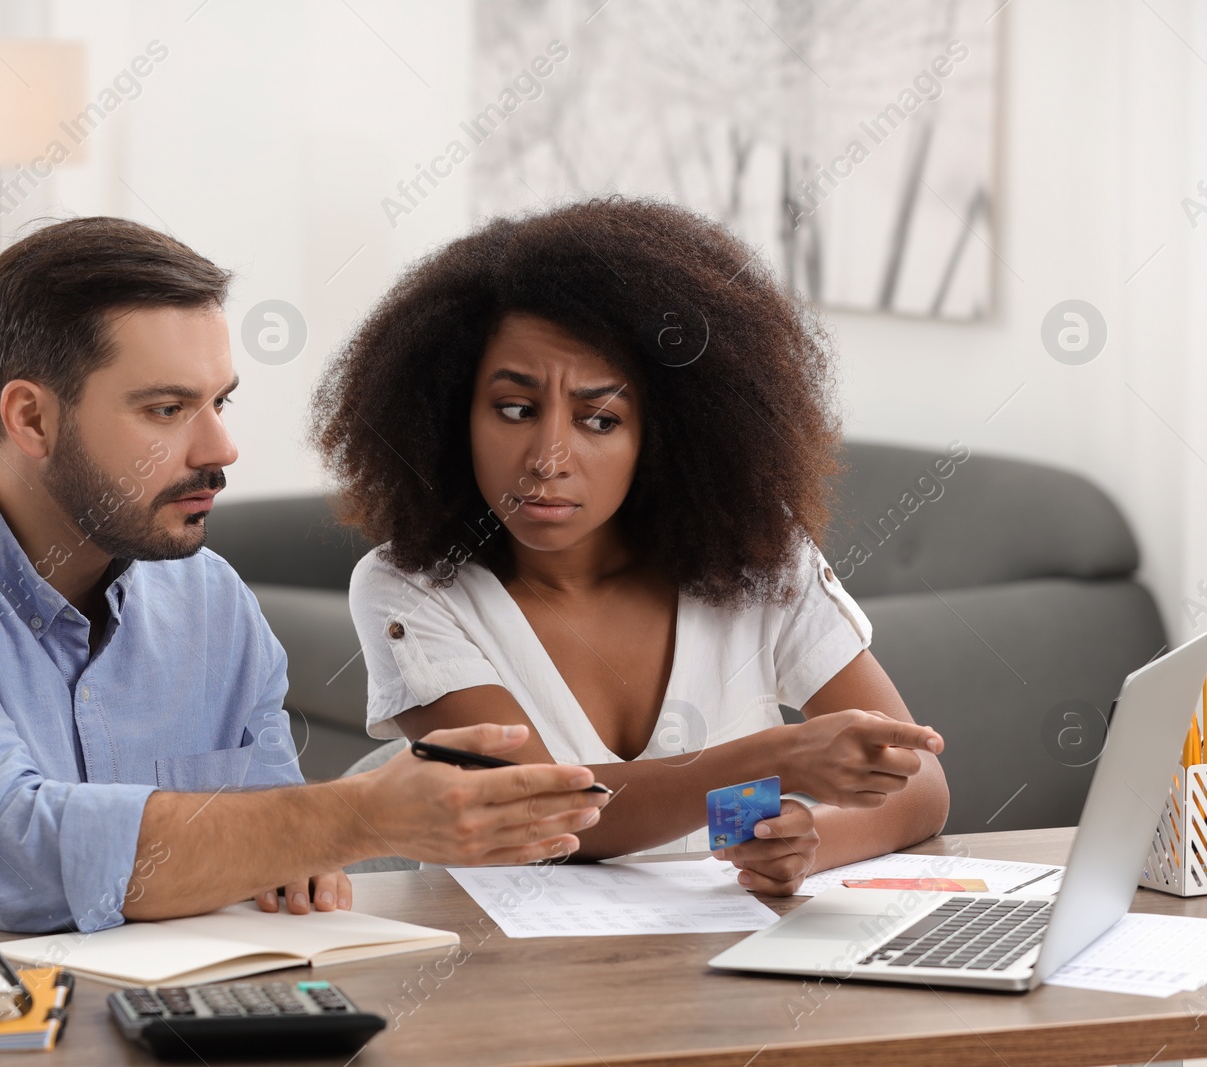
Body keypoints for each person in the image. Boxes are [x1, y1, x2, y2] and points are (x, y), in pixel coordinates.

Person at [0, 217, 607, 933]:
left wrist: (302, 859)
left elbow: (280, 866)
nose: (220, 449)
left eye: (219, 402)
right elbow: (9, 853)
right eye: (167, 409)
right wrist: (361, 813)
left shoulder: (212, 604)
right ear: (31, 418)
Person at [315, 198, 949, 895]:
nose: (548, 458)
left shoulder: (758, 561)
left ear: (665, 432)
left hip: (713, 977)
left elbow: (919, 782)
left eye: (600, 418)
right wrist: (780, 758)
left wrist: (803, 841)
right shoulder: (410, 588)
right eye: (515, 409)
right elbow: (538, 816)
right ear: (448, 414)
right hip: (500, 980)